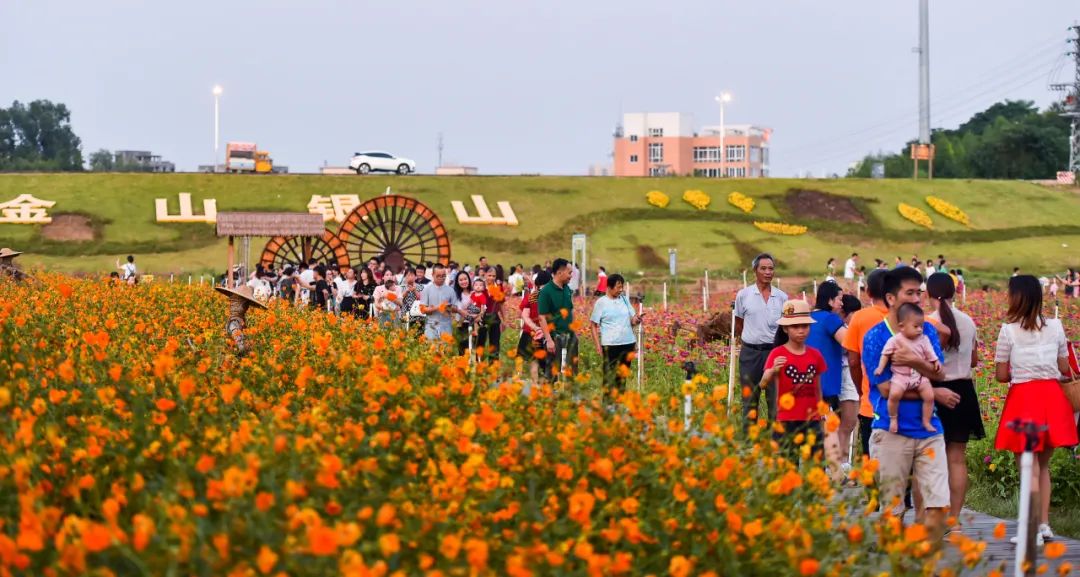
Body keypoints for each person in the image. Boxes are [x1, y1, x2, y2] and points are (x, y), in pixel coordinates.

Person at [862, 267, 953, 539]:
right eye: (910, 293)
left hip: (929, 429)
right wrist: (934, 392)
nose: (917, 299)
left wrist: (914, 362)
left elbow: (939, 373)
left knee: (938, 502)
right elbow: (887, 387)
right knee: (893, 508)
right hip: (891, 430)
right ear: (891, 298)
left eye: (919, 293)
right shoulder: (876, 337)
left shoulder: (926, 330)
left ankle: (929, 556)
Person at [993, 275, 1079, 546]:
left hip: (1025, 398)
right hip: (1052, 397)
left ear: (1016, 297)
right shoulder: (1055, 326)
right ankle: (1044, 525)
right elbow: (1065, 368)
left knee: (1027, 467)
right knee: (1043, 467)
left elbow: (1001, 374)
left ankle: (1030, 529)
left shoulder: (1008, 331)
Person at [926, 272, 983, 525]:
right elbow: (973, 361)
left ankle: (932, 516)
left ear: (929, 295)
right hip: (964, 390)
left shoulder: (928, 322)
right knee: (957, 458)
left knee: (930, 456)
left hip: (937, 390)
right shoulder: (968, 321)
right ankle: (955, 519)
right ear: (954, 292)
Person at [761, 299, 826, 460]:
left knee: (816, 465)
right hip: (786, 419)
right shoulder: (777, 354)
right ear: (785, 329)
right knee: (788, 467)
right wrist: (772, 371)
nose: (801, 331)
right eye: (795, 327)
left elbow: (818, 388)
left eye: (805, 326)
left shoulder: (815, 355)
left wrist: (822, 413)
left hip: (812, 419)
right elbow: (762, 384)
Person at [734, 253, 788, 426]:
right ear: (755, 271)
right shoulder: (744, 295)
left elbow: (785, 328)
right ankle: (749, 442)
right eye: (763, 268)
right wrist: (752, 338)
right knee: (749, 399)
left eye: (770, 268)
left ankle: (775, 442)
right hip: (750, 354)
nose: (767, 272)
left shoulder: (782, 297)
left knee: (775, 400)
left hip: (774, 354)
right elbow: (739, 323)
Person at [874, 303, 940, 434]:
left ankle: (926, 421)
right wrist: (880, 368)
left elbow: (930, 352)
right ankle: (893, 418)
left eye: (921, 326)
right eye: (915, 327)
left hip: (919, 376)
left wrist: (935, 360)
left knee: (929, 396)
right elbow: (885, 354)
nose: (920, 330)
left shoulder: (924, 339)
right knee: (894, 395)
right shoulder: (895, 340)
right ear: (902, 327)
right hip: (901, 376)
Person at [842, 269, 888, 457]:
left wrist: (861, 390)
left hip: (872, 403)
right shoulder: (906, 316)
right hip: (904, 404)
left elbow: (853, 361)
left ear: (868, 291)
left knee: (873, 460)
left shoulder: (860, 317)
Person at [590, 273, 643, 401]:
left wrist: (637, 319)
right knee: (609, 377)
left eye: (622, 287)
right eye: (618, 287)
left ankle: (618, 406)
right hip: (610, 346)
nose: (621, 289)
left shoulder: (624, 299)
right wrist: (598, 346)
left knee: (621, 378)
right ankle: (608, 407)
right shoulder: (601, 303)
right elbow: (593, 325)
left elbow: (632, 320)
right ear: (609, 287)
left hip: (627, 343)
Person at [806, 281, 847, 410]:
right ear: (830, 301)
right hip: (827, 383)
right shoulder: (830, 319)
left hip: (807, 382)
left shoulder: (809, 317)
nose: (842, 304)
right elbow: (849, 342)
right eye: (839, 299)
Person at [538, 258, 578, 380]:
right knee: (552, 372)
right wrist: (549, 339)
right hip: (555, 336)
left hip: (570, 335)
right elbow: (542, 318)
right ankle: (549, 396)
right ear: (560, 272)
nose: (571, 276)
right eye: (569, 273)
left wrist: (575, 330)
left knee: (572, 370)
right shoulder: (546, 291)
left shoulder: (567, 289)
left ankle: (571, 396)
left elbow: (571, 310)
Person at [837, 294, 863, 470]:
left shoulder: (848, 327)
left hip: (848, 373)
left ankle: (843, 459)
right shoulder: (841, 329)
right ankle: (841, 460)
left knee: (849, 421)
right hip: (846, 373)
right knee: (848, 420)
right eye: (855, 313)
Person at [518, 270, 552, 383]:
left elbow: (524, 315)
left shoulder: (532, 296)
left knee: (533, 361)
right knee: (545, 362)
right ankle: (545, 388)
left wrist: (535, 327)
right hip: (546, 333)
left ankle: (534, 387)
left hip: (530, 332)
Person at [419, 264, 457, 342]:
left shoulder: (450, 290)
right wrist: (437, 307)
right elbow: (422, 309)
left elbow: (455, 309)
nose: (441, 278)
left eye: (443, 276)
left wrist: (449, 307)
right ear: (433, 275)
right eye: (438, 276)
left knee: (445, 351)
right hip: (431, 324)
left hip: (446, 325)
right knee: (431, 351)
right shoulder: (427, 289)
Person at [482, 267, 507, 361]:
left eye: (494, 276)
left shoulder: (498, 287)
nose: (491, 278)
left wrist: (504, 320)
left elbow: (501, 304)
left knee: (495, 343)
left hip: (494, 317)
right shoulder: (480, 286)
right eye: (489, 275)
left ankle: (493, 366)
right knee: (481, 341)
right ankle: (480, 363)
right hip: (482, 317)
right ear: (485, 275)